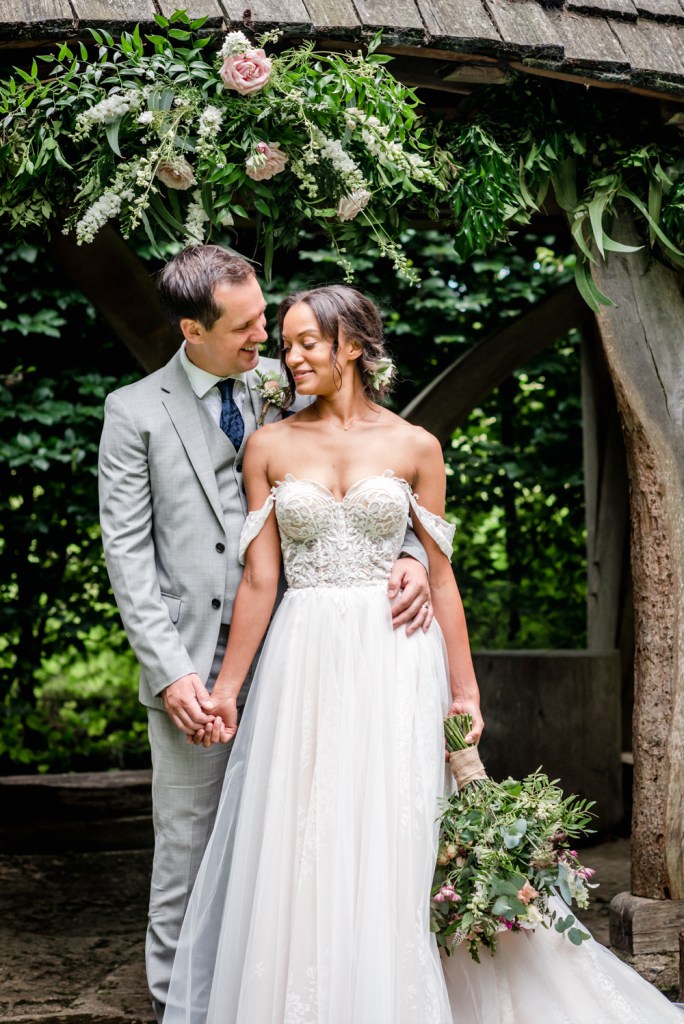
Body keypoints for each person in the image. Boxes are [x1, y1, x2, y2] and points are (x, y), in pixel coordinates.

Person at [163, 284, 684, 1024]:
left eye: (306, 341)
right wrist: (227, 688)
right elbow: (259, 577)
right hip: (302, 658)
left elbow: (440, 576)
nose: (291, 356)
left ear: (351, 345)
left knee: (396, 828)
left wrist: (464, 694)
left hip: (396, 656)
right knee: (304, 831)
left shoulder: (416, 447)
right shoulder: (268, 445)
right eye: (285, 344)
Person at [97, 251, 432, 1024]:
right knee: (186, 851)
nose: (265, 338)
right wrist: (175, 675)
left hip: (298, 656)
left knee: (295, 842)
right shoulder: (134, 412)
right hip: (190, 664)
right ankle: (177, 1010)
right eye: (247, 326)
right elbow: (129, 553)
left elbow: (369, 474)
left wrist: (409, 558)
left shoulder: (287, 382)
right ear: (193, 329)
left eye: (265, 321)